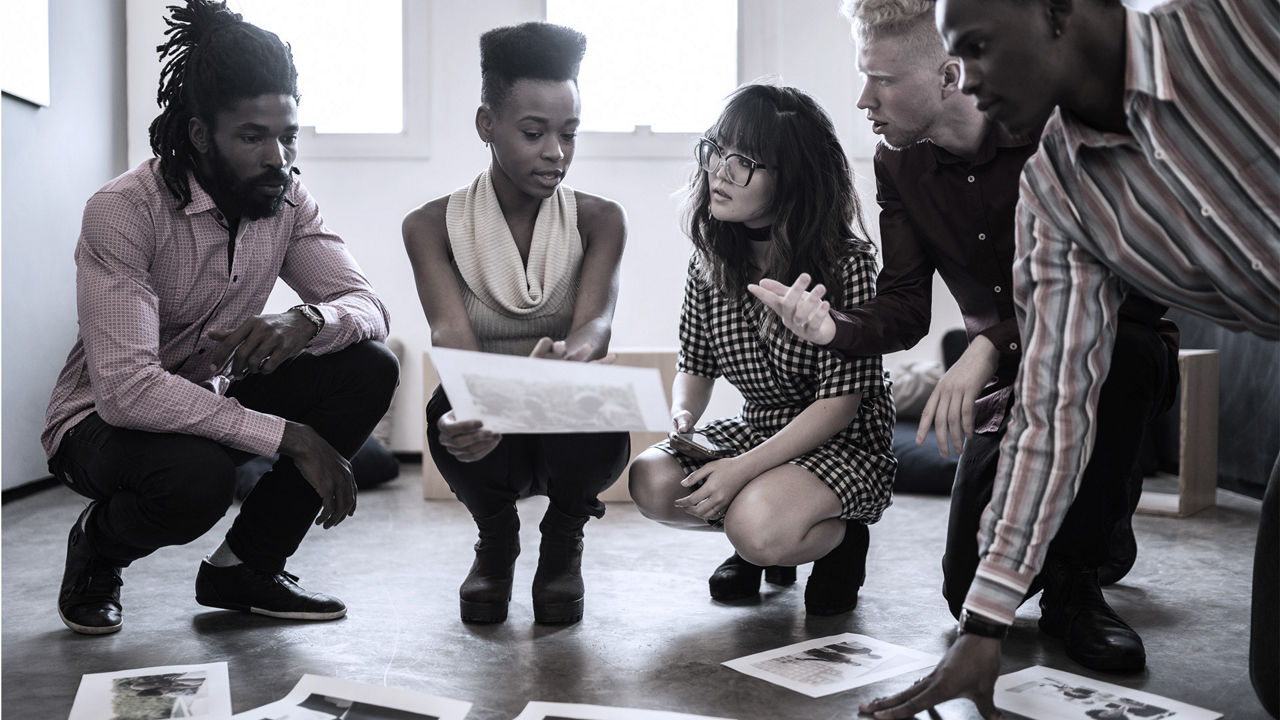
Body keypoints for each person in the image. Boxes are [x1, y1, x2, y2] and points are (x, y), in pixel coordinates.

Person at [856, 0, 1279, 717]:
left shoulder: (1241, 21)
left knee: (1128, 353)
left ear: (1056, 11)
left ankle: (1085, 564)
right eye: (957, 60)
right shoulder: (1054, 191)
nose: (968, 80)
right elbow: (1051, 406)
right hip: (1025, 369)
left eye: (980, 49)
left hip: (1135, 349)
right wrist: (985, 625)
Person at [750, 0, 1177, 674]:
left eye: (882, 80)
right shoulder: (899, 166)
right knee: (964, 593)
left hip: (1108, 345)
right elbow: (905, 307)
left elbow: (1131, 285)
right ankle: (1088, 527)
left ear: (949, 76)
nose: (863, 99)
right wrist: (833, 327)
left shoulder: (1054, 133)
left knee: (1127, 353)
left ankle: (1078, 585)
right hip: (1005, 380)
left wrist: (990, 344)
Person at [42, 0, 399, 636]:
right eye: (252, 137)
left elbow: (368, 305)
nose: (278, 158)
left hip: (209, 398)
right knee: (195, 481)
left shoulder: (286, 198)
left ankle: (248, 567)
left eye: (287, 136)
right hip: (97, 422)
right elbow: (126, 392)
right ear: (202, 135)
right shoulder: (124, 211)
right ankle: (99, 548)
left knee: (368, 367)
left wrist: (307, 321)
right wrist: (289, 435)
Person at [627, 84, 897, 616]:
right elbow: (696, 363)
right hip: (761, 429)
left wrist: (741, 469)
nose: (720, 172)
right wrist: (685, 414)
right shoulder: (710, 259)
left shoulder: (847, 264)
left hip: (842, 442)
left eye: (745, 161)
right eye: (716, 150)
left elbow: (839, 406)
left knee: (757, 524)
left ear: (792, 176)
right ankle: (759, 535)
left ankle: (840, 541)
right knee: (650, 478)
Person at [402, 22, 629, 626]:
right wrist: (485, 403)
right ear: (487, 126)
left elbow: (594, 327)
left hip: (563, 415)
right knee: (444, 410)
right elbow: (451, 337)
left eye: (569, 133)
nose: (555, 150)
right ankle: (496, 541)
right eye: (534, 132)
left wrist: (559, 370)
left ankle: (562, 542)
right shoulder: (428, 226)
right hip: (489, 417)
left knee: (600, 399)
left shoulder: (601, 219)